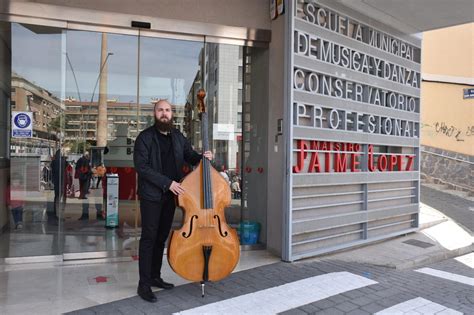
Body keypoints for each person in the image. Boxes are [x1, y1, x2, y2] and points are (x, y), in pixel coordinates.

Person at [133, 99, 213, 303]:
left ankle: (155, 277)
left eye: (167, 110)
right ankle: (143, 285)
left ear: (171, 114)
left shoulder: (178, 136)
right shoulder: (144, 138)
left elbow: (190, 156)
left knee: (161, 238)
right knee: (149, 238)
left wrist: (203, 156)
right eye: (160, 110)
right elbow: (142, 167)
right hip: (152, 196)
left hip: (171, 196)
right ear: (154, 113)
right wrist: (168, 183)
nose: (164, 113)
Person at [50, 149, 67, 223]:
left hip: (56, 182)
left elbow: (52, 169)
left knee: (56, 197)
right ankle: (59, 214)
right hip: (61, 181)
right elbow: (67, 166)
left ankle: (55, 213)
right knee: (60, 198)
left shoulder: (54, 162)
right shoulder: (63, 161)